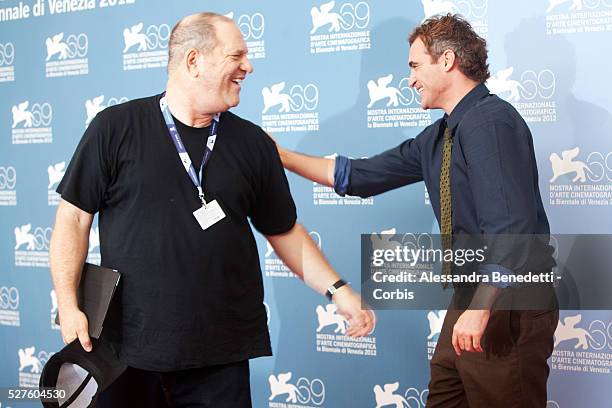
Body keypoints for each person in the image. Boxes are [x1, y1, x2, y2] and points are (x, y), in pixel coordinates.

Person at [49, 12, 374, 408]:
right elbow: (73, 218)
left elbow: (284, 230)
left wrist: (338, 290)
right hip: (126, 351)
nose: (248, 66)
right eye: (236, 55)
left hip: (220, 355)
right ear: (193, 60)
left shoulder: (252, 143)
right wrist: (68, 305)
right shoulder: (115, 128)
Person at [277, 14, 557, 408]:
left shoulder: (490, 123)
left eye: (414, 65)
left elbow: (511, 228)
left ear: (447, 61)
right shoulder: (439, 135)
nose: (409, 80)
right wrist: (278, 155)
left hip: (505, 303)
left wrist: (480, 310)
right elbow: (357, 175)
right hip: (473, 298)